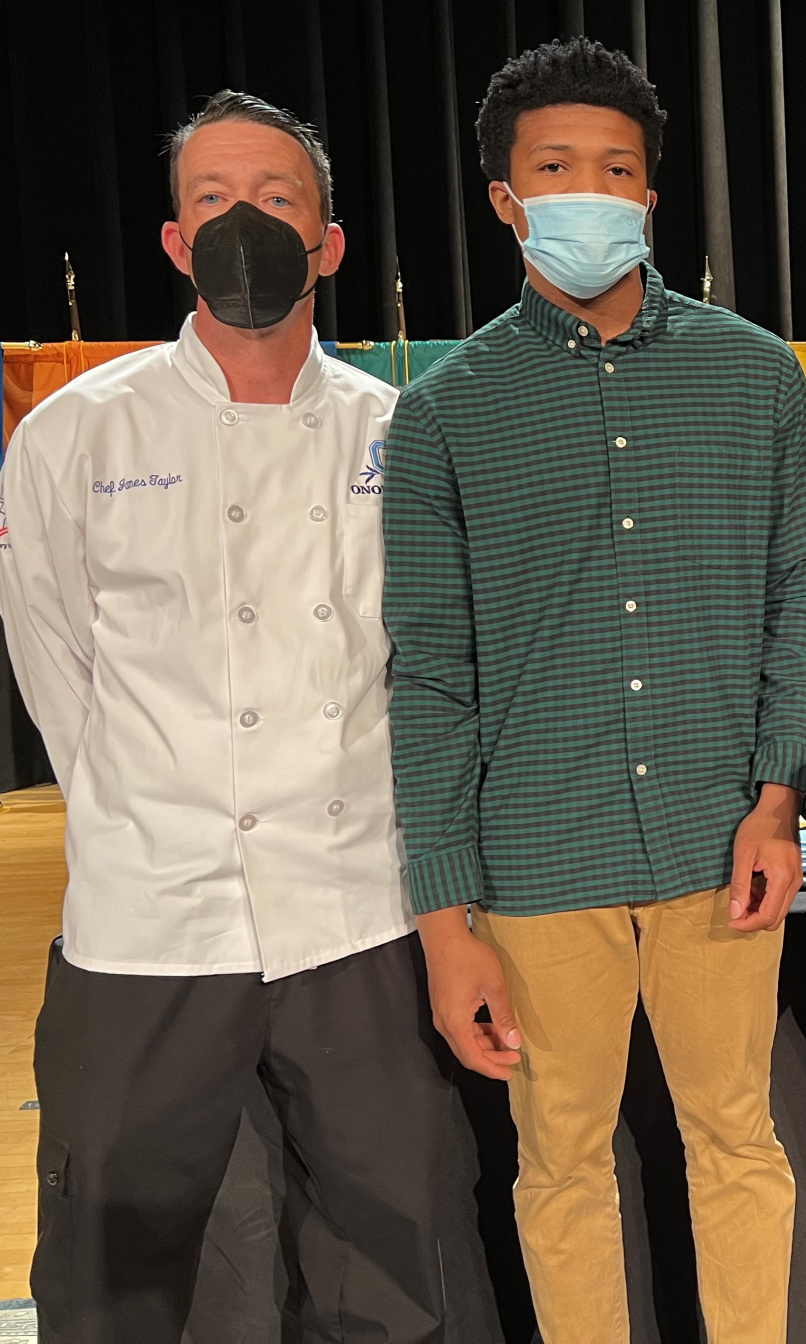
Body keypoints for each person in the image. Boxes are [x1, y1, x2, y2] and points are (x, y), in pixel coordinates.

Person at [0, 92, 494, 1343]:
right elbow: (54, 663)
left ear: (328, 243)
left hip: (357, 912)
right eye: (214, 201)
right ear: (173, 242)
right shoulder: (73, 435)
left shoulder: (405, 433)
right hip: (147, 924)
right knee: (116, 1266)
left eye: (277, 202)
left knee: (390, 1254)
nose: (245, 226)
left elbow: (431, 670)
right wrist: (146, 810)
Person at [379, 38, 806, 1344]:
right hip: (534, 862)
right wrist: (444, 915)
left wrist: (773, 800)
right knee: (562, 1166)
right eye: (556, 167)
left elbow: (803, 594)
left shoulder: (756, 377)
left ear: (651, 194)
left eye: (619, 168)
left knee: (737, 1142)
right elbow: (430, 674)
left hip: (719, 843)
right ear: (505, 198)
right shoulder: (443, 415)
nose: (592, 190)